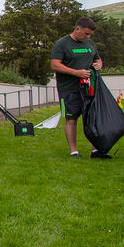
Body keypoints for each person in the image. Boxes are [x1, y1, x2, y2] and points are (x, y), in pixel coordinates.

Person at [49, 17, 105, 158]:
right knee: (71, 119)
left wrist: (99, 64)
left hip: (89, 88)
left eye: (90, 34)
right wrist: (76, 73)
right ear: (77, 29)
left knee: (92, 118)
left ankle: (95, 150)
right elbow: (55, 65)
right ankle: (74, 151)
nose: (88, 37)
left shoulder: (90, 43)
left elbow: (97, 58)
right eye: (86, 33)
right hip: (69, 89)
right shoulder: (62, 44)